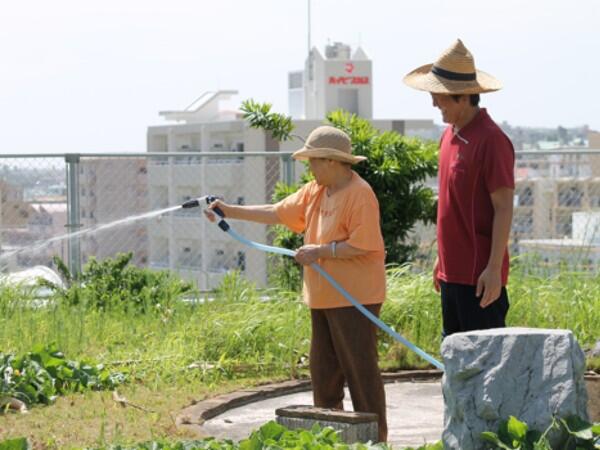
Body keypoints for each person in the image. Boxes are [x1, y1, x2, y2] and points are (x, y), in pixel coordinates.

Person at [204, 125, 388, 441]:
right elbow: (277, 213)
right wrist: (229, 211)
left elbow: (363, 244)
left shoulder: (360, 194)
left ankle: (375, 441)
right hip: (321, 299)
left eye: (313, 161)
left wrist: (321, 251)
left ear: (331, 161)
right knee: (324, 376)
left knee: (361, 375)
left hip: (355, 299)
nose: (310, 167)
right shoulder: (316, 191)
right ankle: (333, 439)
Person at [403, 39, 515, 337]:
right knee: (456, 363)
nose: (434, 103)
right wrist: (442, 258)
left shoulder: (492, 140)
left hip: (479, 277)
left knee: (485, 365)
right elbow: (451, 203)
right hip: (451, 273)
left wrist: (493, 269)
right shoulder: (448, 137)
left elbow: (503, 207)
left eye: (439, 96)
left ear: (463, 96)